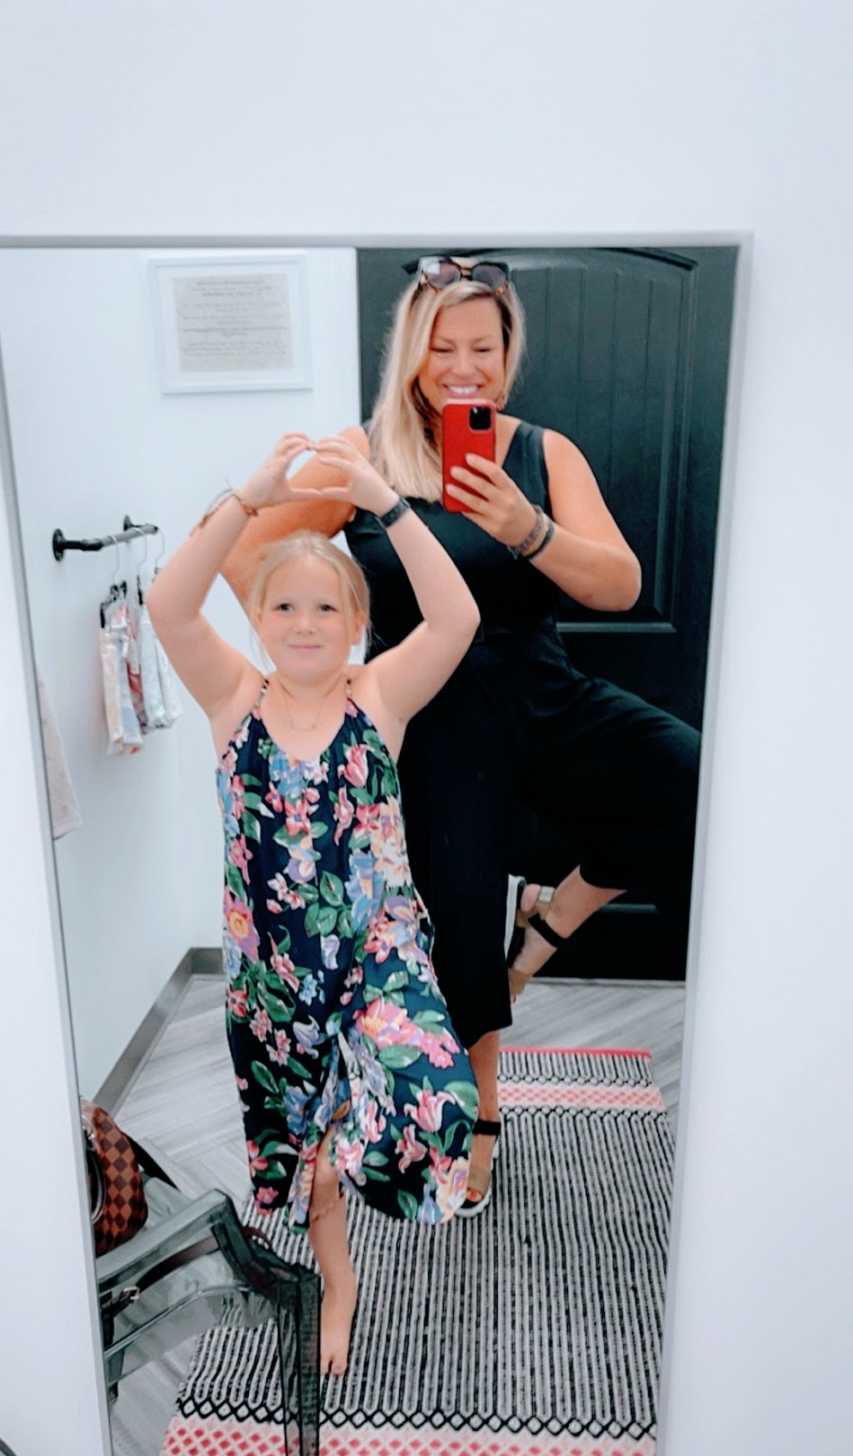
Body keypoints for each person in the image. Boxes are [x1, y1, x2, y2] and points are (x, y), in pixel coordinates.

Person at [221, 256, 700, 1217]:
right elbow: (246, 562)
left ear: (507, 353)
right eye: (444, 347)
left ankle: (548, 928)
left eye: (483, 346)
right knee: (456, 919)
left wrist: (529, 529)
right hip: (426, 714)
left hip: (539, 692)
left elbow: (619, 585)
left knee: (687, 782)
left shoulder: (542, 452)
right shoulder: (361, 459)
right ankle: (479, 1109)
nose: (464, 366)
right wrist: (326, 666)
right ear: (414, 353)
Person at [147, 431, 481, 1376]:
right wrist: (246, 501)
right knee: (308, 1160)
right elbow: (171, 604)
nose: (303, 622)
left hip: (379, 960)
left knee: (436, 1097)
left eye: (324, 607)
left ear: (354, 622)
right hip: (274, 980)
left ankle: (352, 1163)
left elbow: (456, 620)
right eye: (284, 606)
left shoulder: (378, 697)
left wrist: (387, 504)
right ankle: (337, 1284)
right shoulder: (233, 700)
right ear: (257, 619)